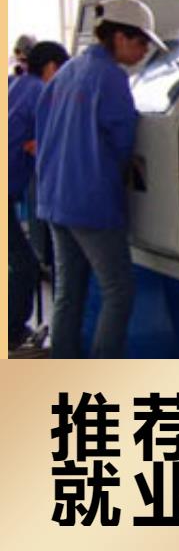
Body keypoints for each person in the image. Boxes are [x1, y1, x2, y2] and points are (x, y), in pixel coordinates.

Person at [36, 0, 167, 358]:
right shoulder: (111, 78)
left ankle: (64, 367)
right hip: (90, 204)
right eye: (141, 42)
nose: (144, 51)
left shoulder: (68, 71)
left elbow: (44, 129)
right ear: (119, 37)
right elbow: (124, 142)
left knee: (68, 291)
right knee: (119, 292)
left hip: (55, 199)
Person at [8, 41, 70, 351]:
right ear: (51, 67)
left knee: (20, 262)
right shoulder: (40, 93)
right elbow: (58, 140)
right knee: (25, 265)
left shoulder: (19, 85)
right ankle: (12, 334)